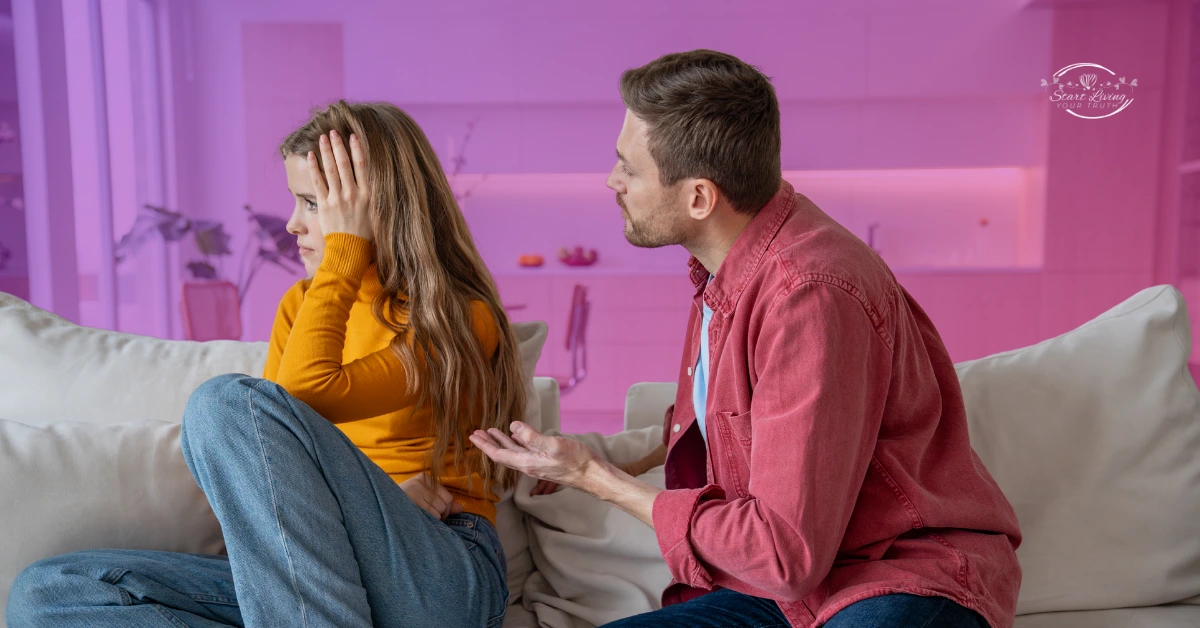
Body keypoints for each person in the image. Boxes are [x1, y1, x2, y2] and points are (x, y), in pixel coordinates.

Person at [473, 50, 1022, 628]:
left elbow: (785, 554)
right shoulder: (728, 271)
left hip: (896, 579)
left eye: (628, 168)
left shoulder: (809, 294)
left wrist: (592, 476)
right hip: (789, 592)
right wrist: (617, 463)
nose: (613, 182)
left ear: (699, 198)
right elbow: (737, 429)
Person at [7, 101, 523, 628]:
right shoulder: (301, 306)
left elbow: (301, 395)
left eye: (313, 203)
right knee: (46, 593)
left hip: (436, 567)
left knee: (223, 405)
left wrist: (345, 253)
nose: (293, 224)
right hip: (319, 571)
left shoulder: (458, 317)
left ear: (377, 208)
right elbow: (273, 459)